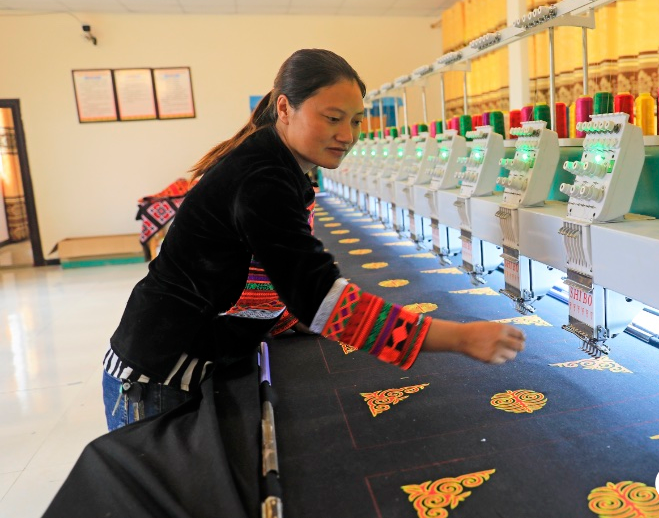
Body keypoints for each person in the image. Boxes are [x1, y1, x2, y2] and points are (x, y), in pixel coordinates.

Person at [102, 49, 526, 431]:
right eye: (332, 117)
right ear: (284, 108)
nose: (348, 134)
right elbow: (323, 300)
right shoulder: (262, 177)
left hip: (181, 363)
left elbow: (266, 274)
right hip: (158, 378)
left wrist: (291, 316)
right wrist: (460, 338)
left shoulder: (278, 167)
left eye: (357, 120)